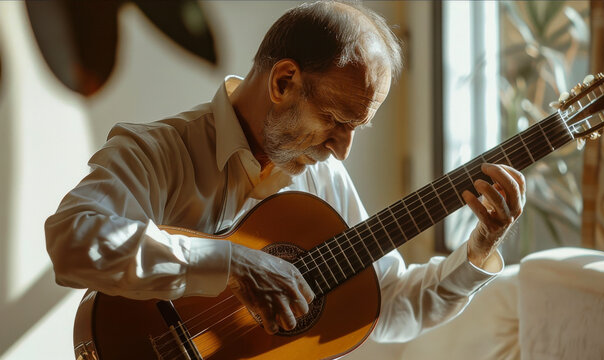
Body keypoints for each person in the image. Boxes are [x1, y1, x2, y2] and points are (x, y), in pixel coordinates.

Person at [45, 0, 525, 344]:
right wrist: (234, 264)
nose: (341, 152)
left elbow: (391, 305)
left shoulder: (323, 175)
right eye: (336, 121)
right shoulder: (159, 150)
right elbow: (72, 240)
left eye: (357, 128)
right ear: (283, 81)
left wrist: (480, 247)